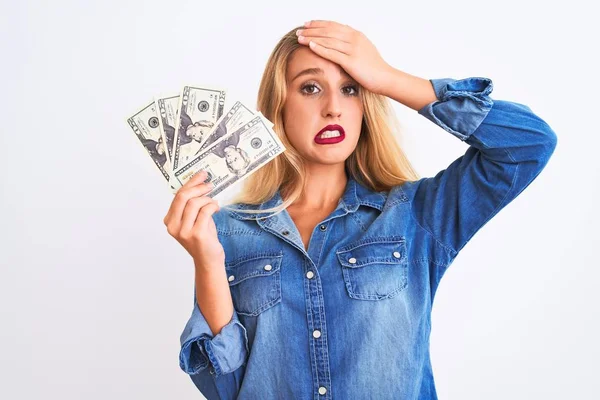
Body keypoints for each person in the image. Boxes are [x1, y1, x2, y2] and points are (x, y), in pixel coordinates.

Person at [163, 20, 557, 400]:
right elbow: (225, 389)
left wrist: (386, 77)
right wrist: (209, 263)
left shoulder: (415, 216)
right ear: (277, 107)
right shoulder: (226, 231)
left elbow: (528, 144)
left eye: (351, 89)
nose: (333, 107)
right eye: (311, 87)